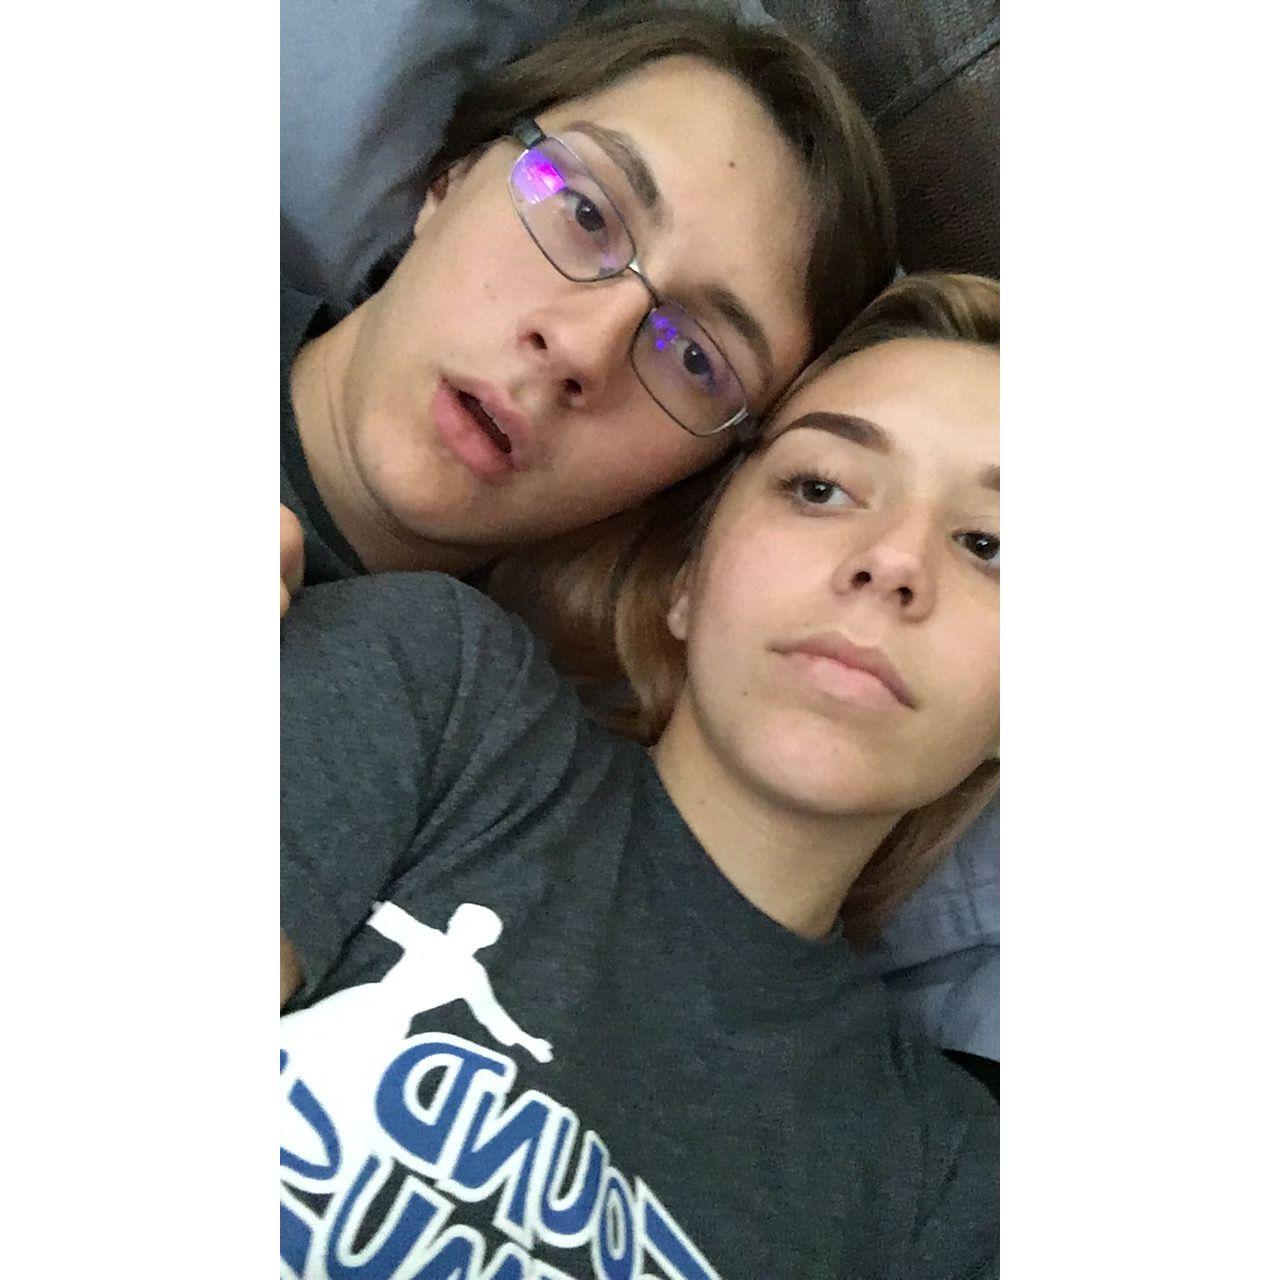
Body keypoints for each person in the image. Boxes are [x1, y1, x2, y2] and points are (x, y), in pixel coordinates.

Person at [279, 271, 1000, 1278]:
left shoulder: (950, 1187)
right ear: (687, 579)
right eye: (819, 487)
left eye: (989, 546)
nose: (893, 562)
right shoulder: (437, 685)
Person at [280, 4, 896, 598]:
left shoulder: (477, 670)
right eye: (585, 213)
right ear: (455, 175)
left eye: (694, 357)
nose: (583, 348)